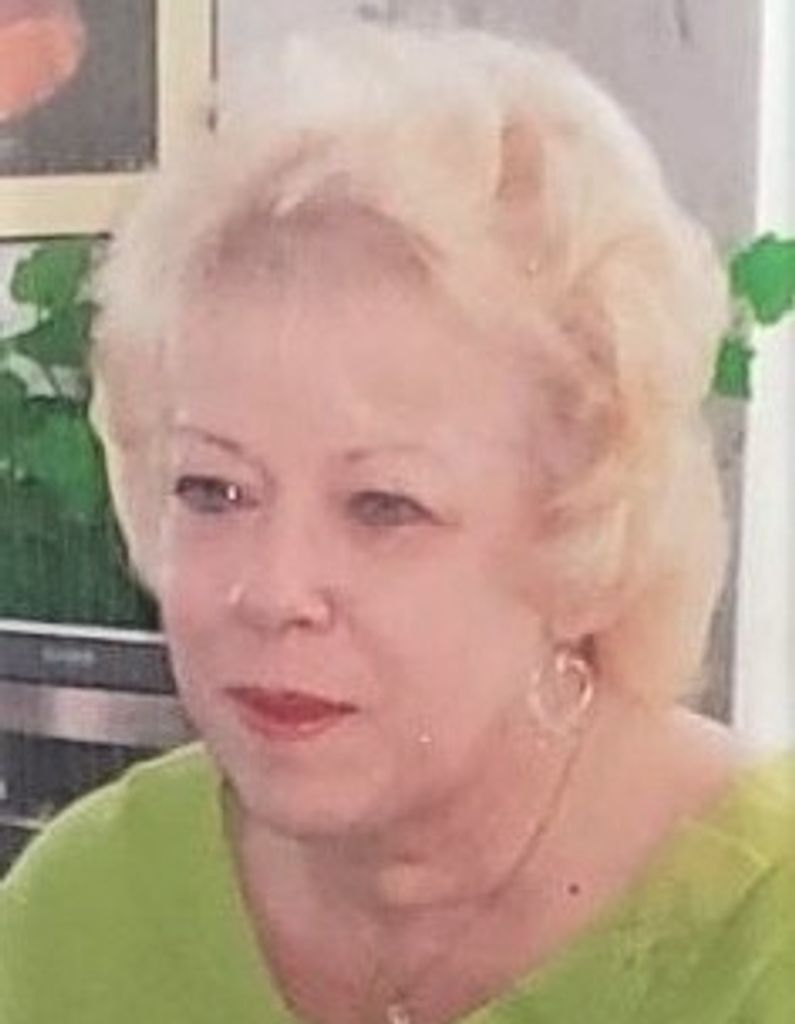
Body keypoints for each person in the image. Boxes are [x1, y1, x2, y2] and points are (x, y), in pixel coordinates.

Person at [1, 25, 793, 1024]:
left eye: (383, 506)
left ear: (579, 534)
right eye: (214, 490)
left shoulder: (766, 937)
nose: (273, 589)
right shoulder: (83, 911)